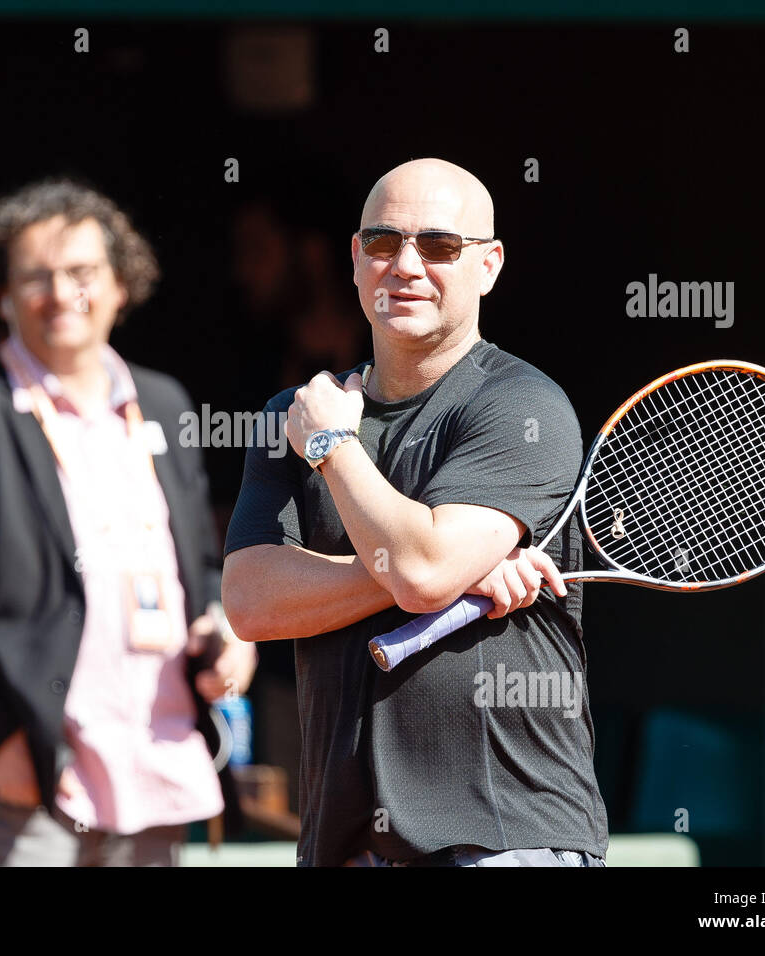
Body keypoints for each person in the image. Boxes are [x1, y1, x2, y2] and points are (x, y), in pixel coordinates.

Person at [222, 158, 609, 867]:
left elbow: (422, 571)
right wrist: (446, 570)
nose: (404, 265)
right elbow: (250, 604)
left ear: (488, 265)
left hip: (502, 839)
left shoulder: (522, 409)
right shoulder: (293, 415)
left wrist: (335, 449)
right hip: (346, 845)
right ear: (354, 258)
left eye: (437, 247)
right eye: (381, 242)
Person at [0, 179, 257, 867]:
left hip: (155, 769)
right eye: (35, 277)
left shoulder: (162, 403)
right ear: (4, 295)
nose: (61, 293)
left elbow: (196, 563)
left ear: (119, 286)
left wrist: (226, 628)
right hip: (23, 788)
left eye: (82, 273)